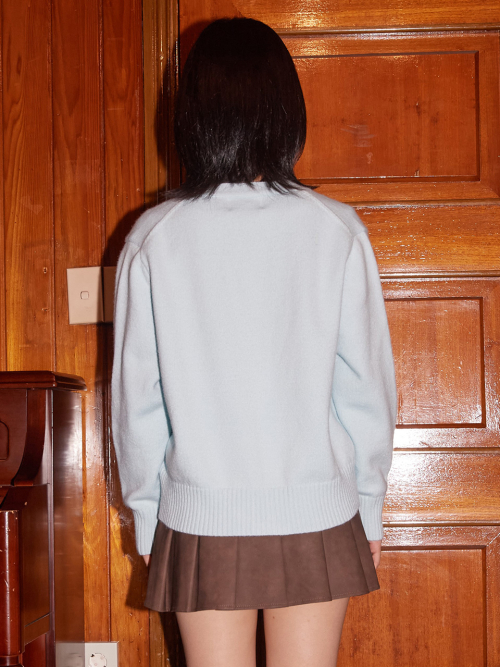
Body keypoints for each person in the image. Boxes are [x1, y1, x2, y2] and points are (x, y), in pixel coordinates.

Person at [111, 17, 397, 667]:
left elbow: (136, 403)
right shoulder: (335, 229)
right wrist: (370, 507)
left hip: (200, 517)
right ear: (286, 111)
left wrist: (148, 516)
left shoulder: (155, 237)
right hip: (318, 511)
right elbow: (367, 391)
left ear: (192, 115)